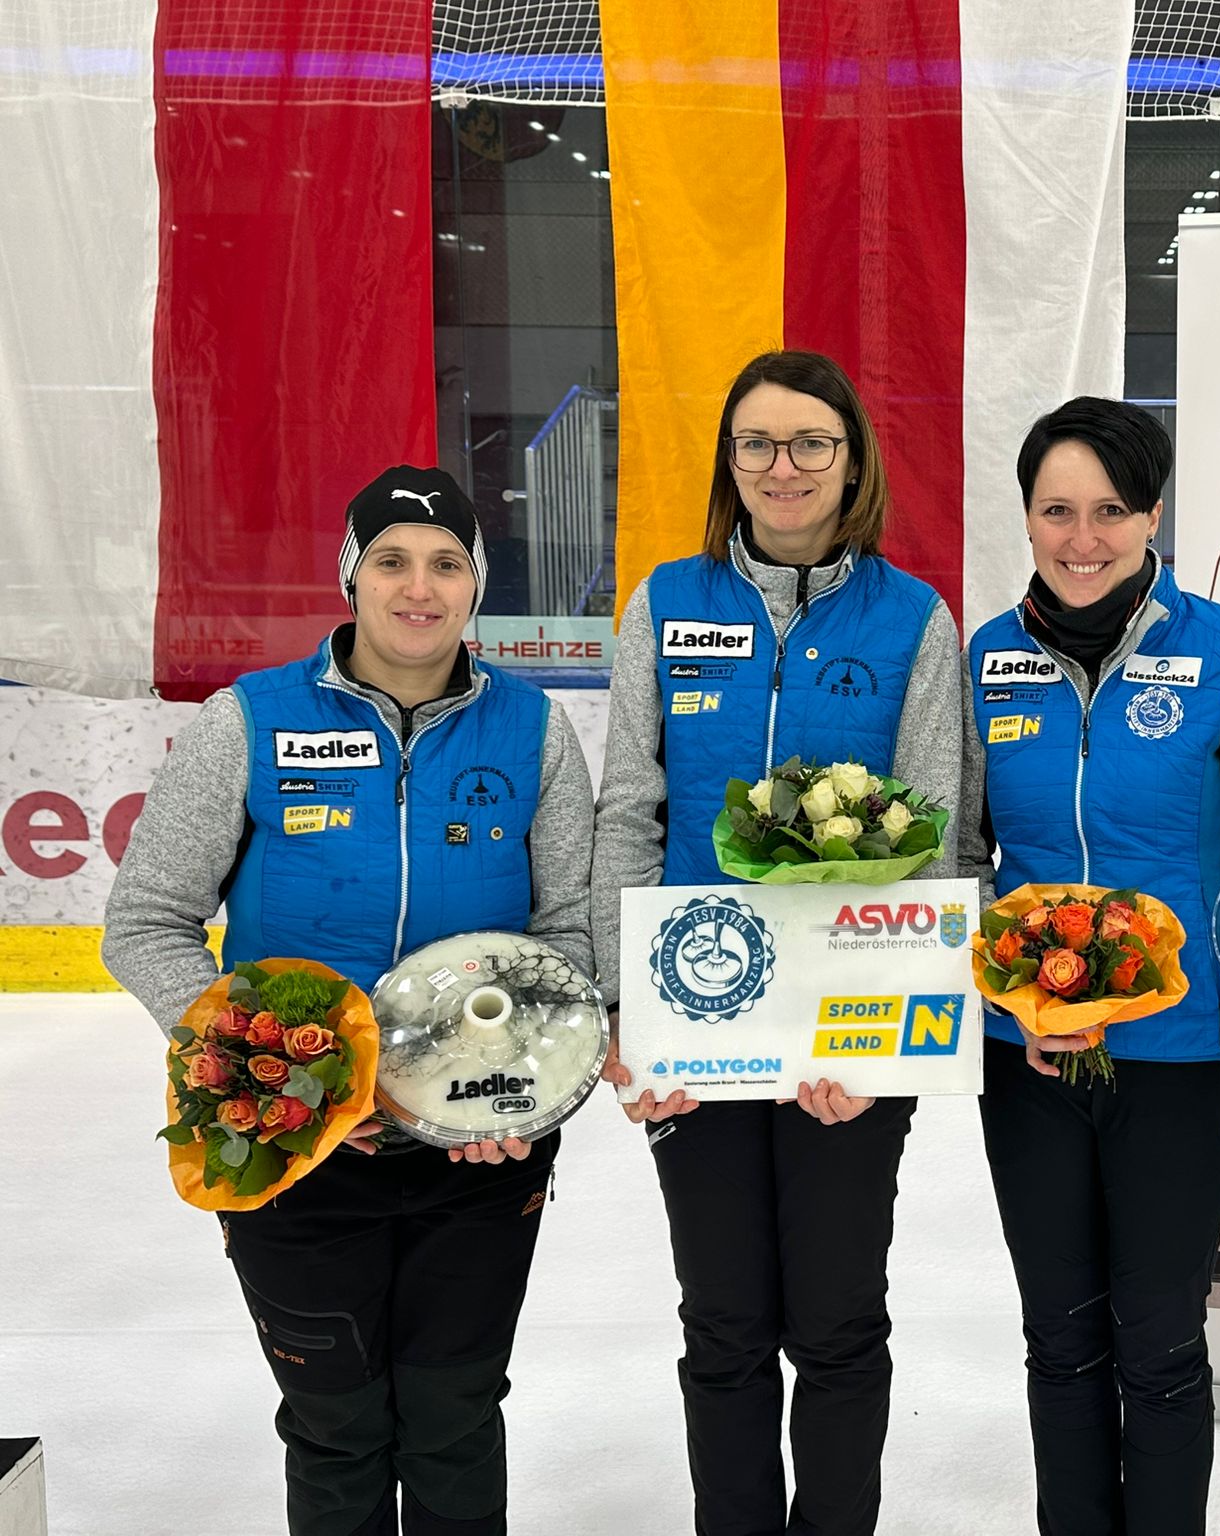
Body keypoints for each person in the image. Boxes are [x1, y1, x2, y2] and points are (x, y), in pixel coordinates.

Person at [102, 464, 596, 1536]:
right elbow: (144, 921)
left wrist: (516, 1104)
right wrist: (268, 1078)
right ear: (351, 576)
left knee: (455, 1415)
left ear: (476, 585)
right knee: (333, 1423)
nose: (418, 588)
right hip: (292, 1149)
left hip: (476, 1156)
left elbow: (567, 940)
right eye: (391, 561)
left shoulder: (534, 733)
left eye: (446, 564)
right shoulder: (252, 722)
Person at [592, 349, 961, 1536]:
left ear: (851, 461)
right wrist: (621, 1011)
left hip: (846, 1034)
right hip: (695, 1015)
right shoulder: (663, 601)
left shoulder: (912, 616)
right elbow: (629, 809)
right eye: (757, 443)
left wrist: (887, 1044)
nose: (783, 467)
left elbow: (941, 832)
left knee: (839, 1321)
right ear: (728, 462)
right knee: (725, 1323)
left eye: (812, 443)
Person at [958, 397, 1220, 1535]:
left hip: (1176, 1057)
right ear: (1026, 516)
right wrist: (1001, 1001)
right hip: (1033, 1058)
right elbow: (963, 858)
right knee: (1057, 1339)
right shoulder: (989, 658)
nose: (1081, 537)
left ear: (1152, 513)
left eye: (1109, 509)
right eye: (1056, 510)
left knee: (1155, 1343)